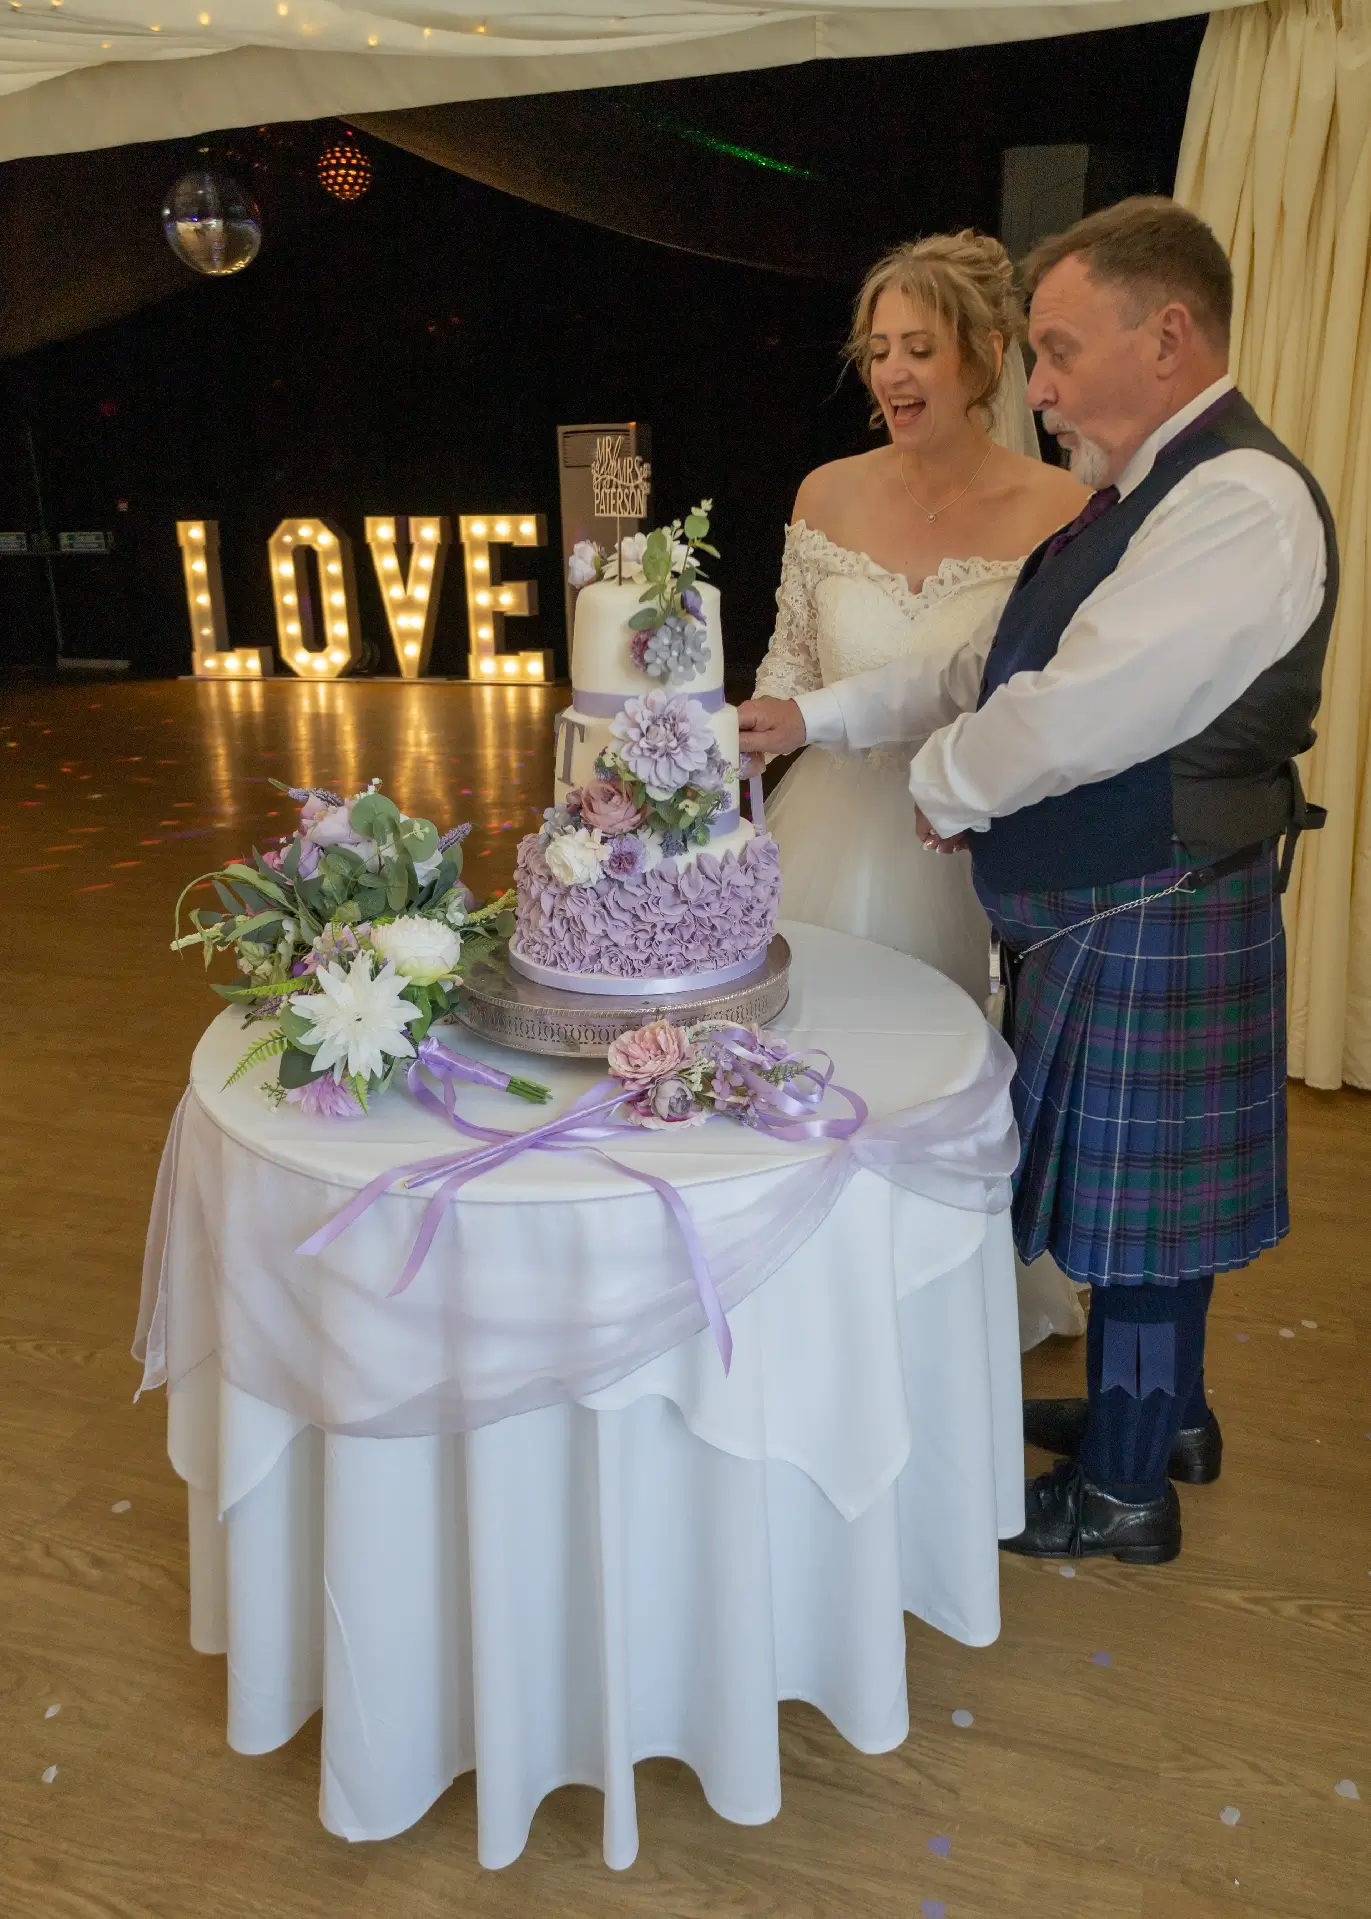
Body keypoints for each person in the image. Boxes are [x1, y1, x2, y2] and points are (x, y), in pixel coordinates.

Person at [739, 197, 1336, 1564]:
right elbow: (985, 664)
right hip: (1128, 895)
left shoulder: (1234, 500)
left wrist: (944, 790)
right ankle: (1163, 1412)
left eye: (1060, 350)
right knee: (1130, 1195)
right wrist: (827, 725)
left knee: (1131, 1206)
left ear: (1167, 334)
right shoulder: (1146, 490)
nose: (1041, 383)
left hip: (1155, 893)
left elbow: (1074, 709)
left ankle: (1125, 1493)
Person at [752, 230, 1089, 1351]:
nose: (893, 373)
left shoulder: (1060, 507)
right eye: (878, 350)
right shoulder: (826, 491)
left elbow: (1044, 698)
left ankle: (929, 1295)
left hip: (963, 842)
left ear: (985, 356)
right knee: (804, 1055)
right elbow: (790, 671)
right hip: (825, 827)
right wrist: (731, 756)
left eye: (920, 349)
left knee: (938, 1072)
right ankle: (806, 1281)